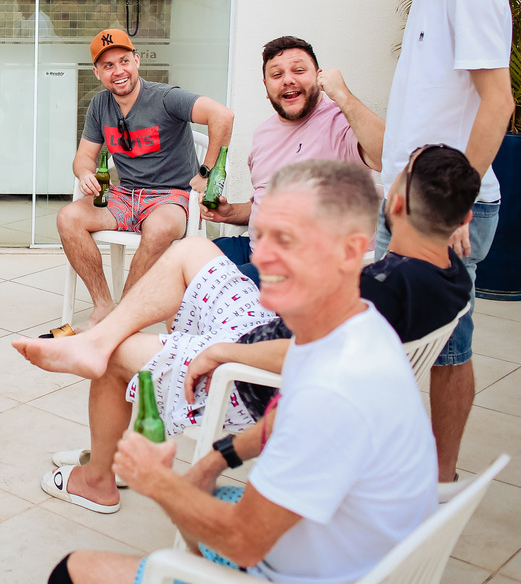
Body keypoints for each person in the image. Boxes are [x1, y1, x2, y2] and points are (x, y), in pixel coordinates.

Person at [39, 160, 437, 584]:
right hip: (338, 547)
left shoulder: (330, 399)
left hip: (292, 571)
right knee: (202, 496)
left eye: (287, 240)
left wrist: (156, 480)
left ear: (351, 251)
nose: (261, 255)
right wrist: (218, 457)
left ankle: (101, 471)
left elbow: (244, 543)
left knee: (71, 571)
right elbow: (290, 407)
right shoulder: (358, 328)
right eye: (262, 235)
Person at [372, 0, 514, 485]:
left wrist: (454, 207)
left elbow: (499, 103)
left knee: (444, 347)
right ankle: (396, 473)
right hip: (409, 204)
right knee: (389, 341)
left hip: (446, 212)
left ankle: (440, 480)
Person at [51, 28, 232, 336]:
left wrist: (206, 172)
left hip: (170, 197)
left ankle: (125, 316)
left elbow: (223, 116)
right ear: (97, 73)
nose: (118, 71)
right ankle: (104, 306)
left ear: (136, 61)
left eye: (124, 61)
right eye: (108, 66)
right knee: (68, 218)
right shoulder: (99, 106)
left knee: (159, 227)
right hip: (126, 194)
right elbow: (83, 157)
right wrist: (85, 173)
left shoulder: (166, 98)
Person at [204, 35, 384, 284]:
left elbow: (385, 156)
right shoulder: (263, 134)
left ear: (319, 77)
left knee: (212, 292)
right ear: (267, 87)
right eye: (277, 75)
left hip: (310, 268)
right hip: (258, 250)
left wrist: (342, 94)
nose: (288, 79)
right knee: (182, 266)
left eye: (299, 70)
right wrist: (230, 212)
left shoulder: (340, 123)